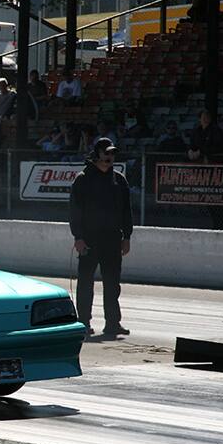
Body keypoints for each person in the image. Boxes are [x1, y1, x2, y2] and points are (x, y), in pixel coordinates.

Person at [69, 138, 133, 337]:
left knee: (113, 283)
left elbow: (126, 211)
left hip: (113, 239)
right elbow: (74, 211)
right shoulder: (83, 178)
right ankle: (84, 322)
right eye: (106, 153)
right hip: (89, 239)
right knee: (86, 282)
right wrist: (78, 237)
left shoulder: (119, 179)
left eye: (112, 154)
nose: (110, 157)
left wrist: (127, 236)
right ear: (97, 154)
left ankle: (113, 323)